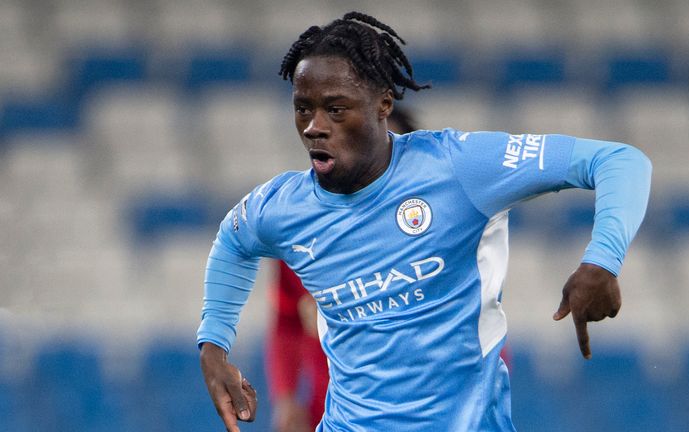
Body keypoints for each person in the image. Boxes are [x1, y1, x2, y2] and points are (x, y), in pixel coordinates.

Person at [197, 11, 652, 432]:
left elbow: (619, 160)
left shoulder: (458, 166)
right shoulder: (283, 207)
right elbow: (232, 242)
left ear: (382, 104)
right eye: (303, 109)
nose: (315, 126)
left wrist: (602, 260)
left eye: (335, 109)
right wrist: (214, 347)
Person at [266, 106, 419, 432]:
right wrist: (286, 396)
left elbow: (486, 333)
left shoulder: (441, 239)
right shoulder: (301, 237)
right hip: (330, 415)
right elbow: (287, 324)